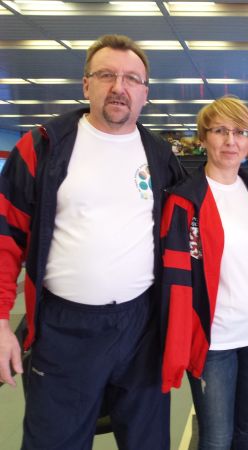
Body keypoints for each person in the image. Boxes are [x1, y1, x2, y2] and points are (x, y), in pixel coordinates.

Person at [0, 34, 184, 449]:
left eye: (132, 79)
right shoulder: (43, 147)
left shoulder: (159, 155)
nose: (119, 87)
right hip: (65, 329)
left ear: (145, 93)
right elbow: (5, 236)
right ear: (86, 85)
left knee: (148, 441)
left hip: (142, 328)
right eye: (106, 75)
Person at [160, 96, 248, 450]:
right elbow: (175, 281)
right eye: (220, 131)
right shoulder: (184, 200)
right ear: (203, 137)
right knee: (215, 438)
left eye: (241, 132)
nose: (231, 141)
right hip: (215, 341)